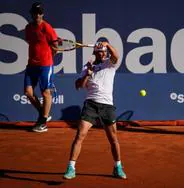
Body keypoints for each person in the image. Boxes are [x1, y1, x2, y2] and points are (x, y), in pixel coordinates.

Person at [63, 41, 127, 180]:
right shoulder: (87, 66)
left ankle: (118, 167)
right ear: (95, 53)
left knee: (113, 139)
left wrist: (108, 44)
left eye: (103, 51)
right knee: (80, 135)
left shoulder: (110, 64)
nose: (101, 53)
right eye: (99, 51)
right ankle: (71, 168)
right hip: (91, 105)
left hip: (107, 106)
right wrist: (88, 73)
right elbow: (78, 86)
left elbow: (116, 55)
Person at [24, 2, 58, 132]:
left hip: (45, 65)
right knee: (28, 93)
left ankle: (42, 122)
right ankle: (44, 114)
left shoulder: (47, 28)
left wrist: (48, 57)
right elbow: (32, 43)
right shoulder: (28, 28)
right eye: (35, 13)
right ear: (32, 14)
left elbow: (55, 47)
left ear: (42, 14)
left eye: (39, 13)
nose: (37, 15)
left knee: (45, 92)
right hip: (31, 65)